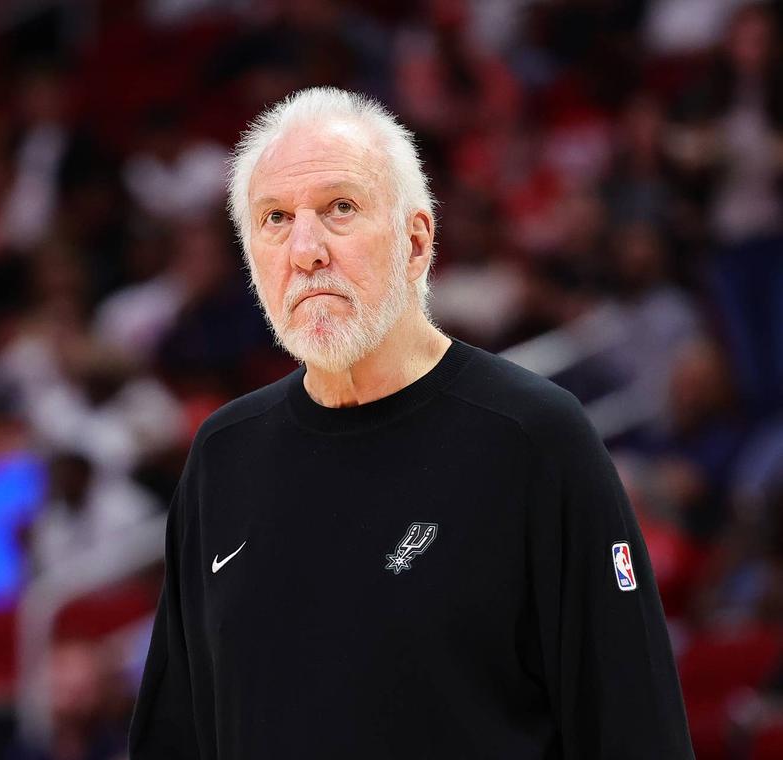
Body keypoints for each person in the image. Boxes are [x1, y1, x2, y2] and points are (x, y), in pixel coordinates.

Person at [128, 87, 693, 758]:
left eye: (340, 208)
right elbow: (177, 736)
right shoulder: (223, 454)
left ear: (416, 241)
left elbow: (633, 725)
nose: (305, 250)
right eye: (274, 218)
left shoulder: (535, 436)